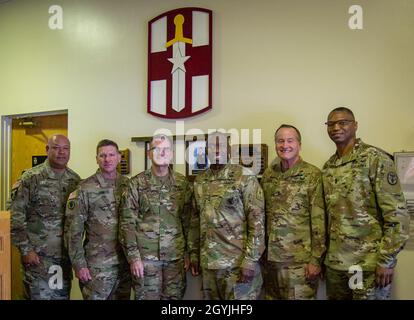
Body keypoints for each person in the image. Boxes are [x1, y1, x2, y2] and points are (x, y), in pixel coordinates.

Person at [322, 107, 409, 300]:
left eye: (342, 122)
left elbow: (397, 214)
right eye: (331, 124)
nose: (336, 127)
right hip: (336, 266)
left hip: (368, 265)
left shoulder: (375, 159)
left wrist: (386, 261)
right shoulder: (329, 167)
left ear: (355, 125)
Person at [188, 132, 265, 300]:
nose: (216, 149)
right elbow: (195, 220)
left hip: (236, 265)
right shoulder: (200, 180)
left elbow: (257, 222)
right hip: (208, 265)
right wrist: (194, 254)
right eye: (211, 146)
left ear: (228, 150)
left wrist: (250, 261)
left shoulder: (244, 177)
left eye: (221, 145)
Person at [119, 134, 192, 300]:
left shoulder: (182, 184)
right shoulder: (135, 184)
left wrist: (188, 253)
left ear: (172, 154)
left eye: (166, 149)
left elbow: (189, 221)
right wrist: (134, 258)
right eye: (157, 149)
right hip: (146, 260)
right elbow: (127, 224)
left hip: (175, 258)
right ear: (149, 154)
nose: (162, 153)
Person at [9, 134, 81, 299]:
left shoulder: (75, 180)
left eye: (65, 148)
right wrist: (25, 250)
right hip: (37, 258)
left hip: (63, 258)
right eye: (56, 148)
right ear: (47, 149)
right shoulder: (31, 178)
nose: (61, 152)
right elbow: (15, 215)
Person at [261, 124, 326, 300]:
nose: (285, 145)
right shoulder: (269, 176)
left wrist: (315, 260)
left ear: (299, 144)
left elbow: (319, 221)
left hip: (300, 263)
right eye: (280, 141)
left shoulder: (312, 175)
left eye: (290, 140)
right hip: (271, 262)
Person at [64, 139, 131, 300]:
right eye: (102, 156)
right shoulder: (85, 188)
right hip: (98, 266)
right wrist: (79, 265)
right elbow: (73, 231)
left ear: (119, 157)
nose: (107, 159)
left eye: (111, 155)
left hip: (124, 265)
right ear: (96, 159)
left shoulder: (128, 185)